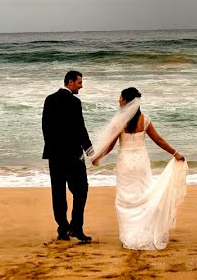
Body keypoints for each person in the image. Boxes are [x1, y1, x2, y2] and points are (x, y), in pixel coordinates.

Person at [91, 87, 188, 250]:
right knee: (143, 196)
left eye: (120, 98)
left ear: (126, 101)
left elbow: (110, 145)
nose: (118, 100)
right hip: (141, 162)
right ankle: (145, 232)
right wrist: (175, 153)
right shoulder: (145, 120)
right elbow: (159, 140)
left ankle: (128, 236)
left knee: (125, 199)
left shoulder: (120, 122)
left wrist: (97, 157)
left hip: (126, 164)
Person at [42, 70, 94, 242]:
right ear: (70, 82)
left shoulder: (49, 100)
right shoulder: (74, 102)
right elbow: (80, 128)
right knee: (81, 190)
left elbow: (45, 127)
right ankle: (76, 228)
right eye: (79, 82)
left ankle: (63, 230)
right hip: (72, 155)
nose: (81, 86)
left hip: (54, 156)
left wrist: (51, 148)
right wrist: (90, 151)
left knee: (58, 193)